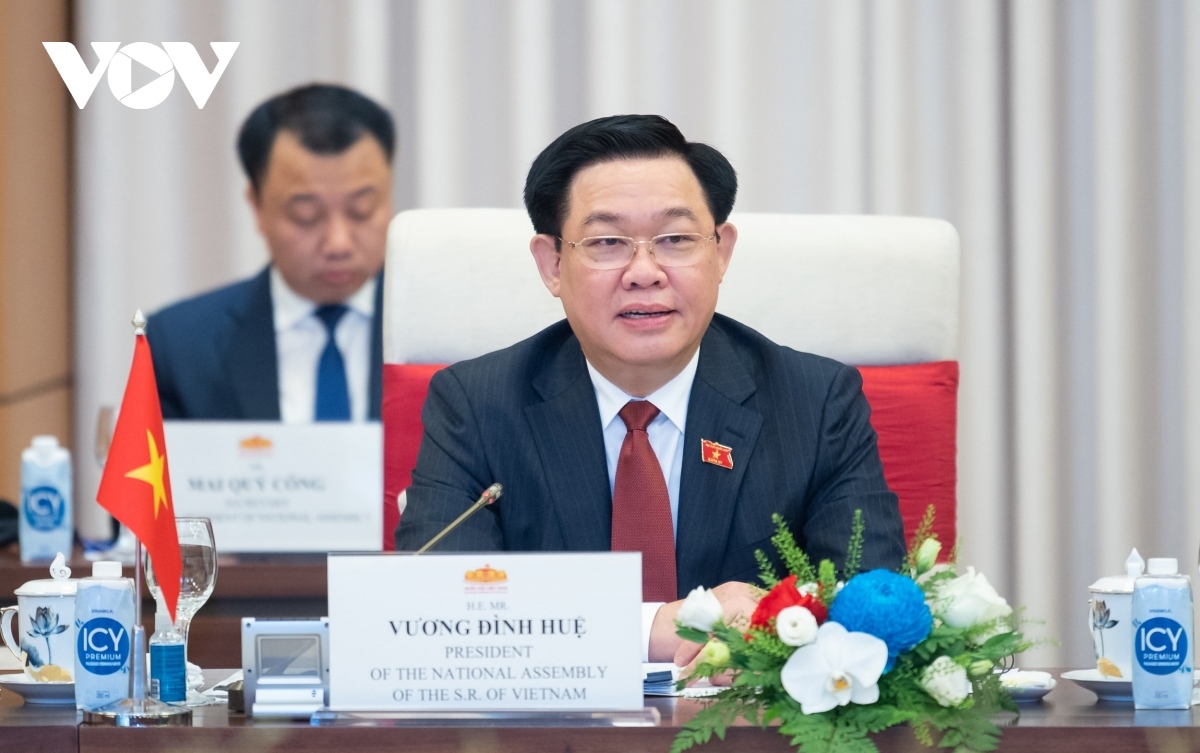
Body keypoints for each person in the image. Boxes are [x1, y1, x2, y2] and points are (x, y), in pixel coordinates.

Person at [395, 115, 906, 664]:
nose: (645, 271)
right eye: (608, 241)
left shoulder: (815, 402)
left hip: (745, 740)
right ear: (552, 265)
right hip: (549, 743)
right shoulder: (477, 404)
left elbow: (869, 617)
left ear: (721, 252)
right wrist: (656, 628)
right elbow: (440, 612)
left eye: (676, 239)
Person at [146, 84, 394, 422]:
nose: (339, 243)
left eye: (362, 210)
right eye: (306, 215)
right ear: (257, 207)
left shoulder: (444, 335)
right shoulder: (181, 346)